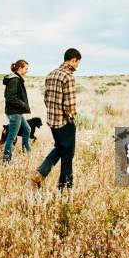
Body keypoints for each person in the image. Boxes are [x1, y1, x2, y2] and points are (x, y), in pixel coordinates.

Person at [31, 48, 81, 190]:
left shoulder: (51, 74)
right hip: (65, 123)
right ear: (73, 60)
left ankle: (40, 174)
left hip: (52, 121)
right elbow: (69, 105)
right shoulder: (68, 76)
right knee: (67, 156)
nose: (77, 66)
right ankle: (65, 188)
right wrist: (72, 119)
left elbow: (46, 99)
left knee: (60, 147)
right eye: (78, 62)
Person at [2, 59, 31, 165]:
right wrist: (23, 105)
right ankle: (6, 161)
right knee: (11, 137)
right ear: (20, 68)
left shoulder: (16, 78)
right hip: (14, 112)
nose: (27, 71)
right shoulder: (15, 80)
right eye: (26, 68)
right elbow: (10, 98)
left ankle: (26, 152)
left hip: (16, 111)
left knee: (27, 129)